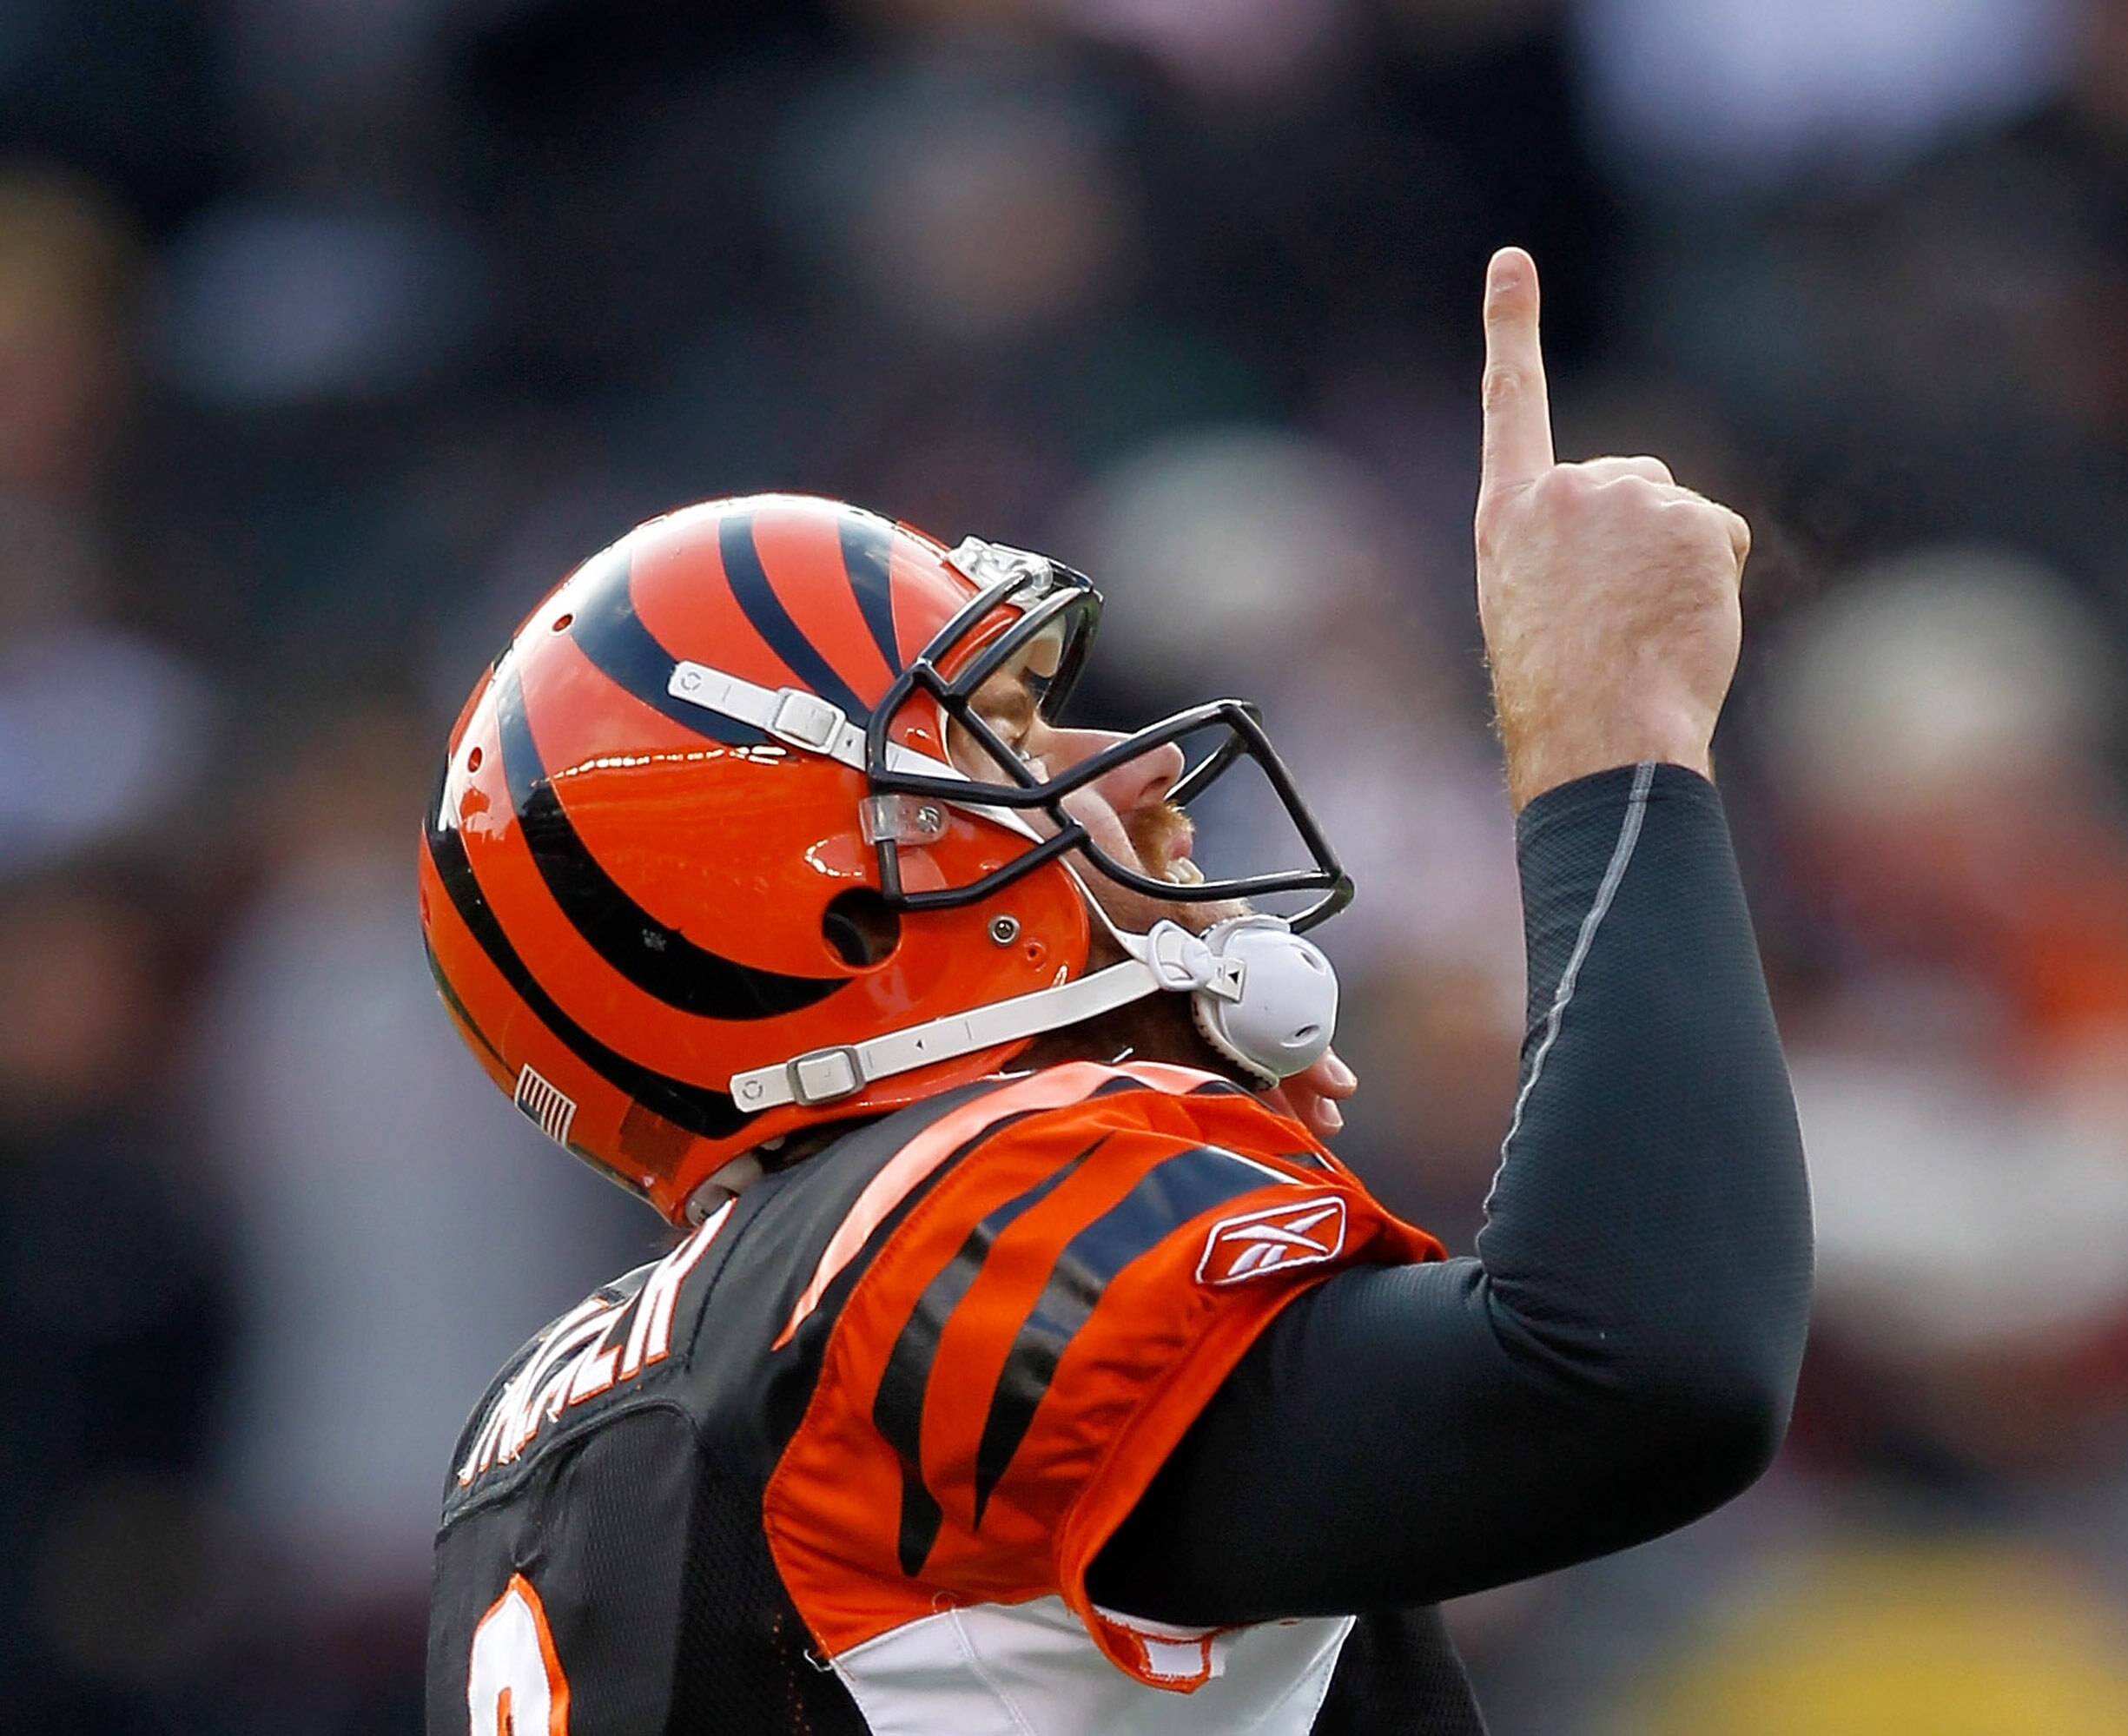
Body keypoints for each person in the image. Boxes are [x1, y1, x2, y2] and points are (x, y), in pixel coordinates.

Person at [420, 249, 1811, 1735]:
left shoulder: (531, 1436)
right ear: (832, 896)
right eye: (1004, 729)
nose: (1136, 766)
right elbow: (1633, 1363)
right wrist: (1617, 732)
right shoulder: (954, 1223)